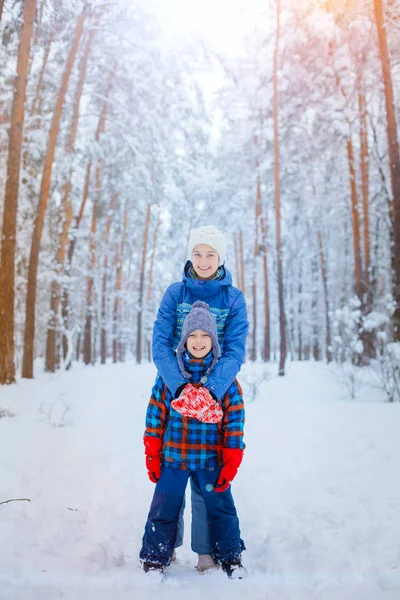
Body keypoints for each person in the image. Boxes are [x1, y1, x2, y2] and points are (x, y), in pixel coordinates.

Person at [152, 225, 248, 571]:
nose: (203, 260)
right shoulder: (174, 294)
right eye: (197, 253)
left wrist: (210, 390)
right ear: (189, 255)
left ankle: (210, 550)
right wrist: (179, 387)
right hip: (174, 388)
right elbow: (160, 344)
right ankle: (165, 546)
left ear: (221, 258)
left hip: (216, 391)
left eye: (211, 254)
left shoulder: (234, 299)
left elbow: (235, 350)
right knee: (172, 473)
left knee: (208, 476)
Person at [140, 301, 246, 577]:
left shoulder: (224, 379)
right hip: (173, 458)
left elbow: (234, 420)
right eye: (193, 336)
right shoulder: (169, 376)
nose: (198, 342)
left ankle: (224, 555)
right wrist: (152, 452)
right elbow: (155, 415)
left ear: (214, 340)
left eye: (205, 336)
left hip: (210, 460)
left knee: (219, 508)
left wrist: (232, 456)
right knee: (164, 507)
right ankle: (157, 555)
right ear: (183, 340)